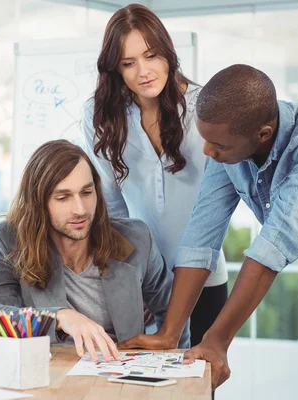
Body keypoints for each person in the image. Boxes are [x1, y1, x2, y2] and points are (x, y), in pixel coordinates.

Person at [124, 64, 298, 398]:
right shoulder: (230, 155)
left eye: (217, 143)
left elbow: (277, 242)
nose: (207, 151)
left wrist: (218, 340)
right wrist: (170, 333)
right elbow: (201, 235)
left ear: (262, 134)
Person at [0, 140, 190, 361]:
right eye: (63, 197)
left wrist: (175, 369)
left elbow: (174, 313)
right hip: (48, 380)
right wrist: (58, 317)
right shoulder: (11, 240)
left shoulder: (134, 238)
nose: (80, 210)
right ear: (38, 202)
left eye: (86, 193)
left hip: (120, 380)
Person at [82, 3, 227, 347]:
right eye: (128, 63)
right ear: (115, 68)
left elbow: (217, 209)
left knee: (198, 391)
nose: (143, 72)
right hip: (142, 284)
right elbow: (113, 208)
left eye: (151, 56)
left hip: (205, 279)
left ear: (167, 53)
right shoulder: (100, 117)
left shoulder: (204, 107)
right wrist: (133, 277)